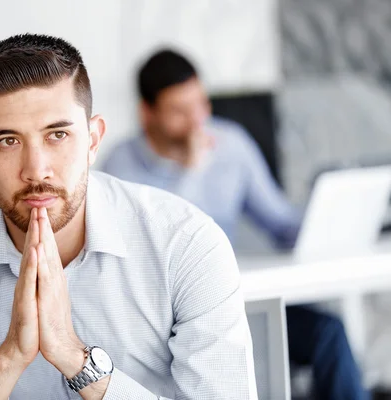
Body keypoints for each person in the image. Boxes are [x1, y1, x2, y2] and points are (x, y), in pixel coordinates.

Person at [0, 34, 258, 399]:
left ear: (92, 140)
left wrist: (76, 358)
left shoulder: (186, 243)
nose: (36, 170)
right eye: (8, 141)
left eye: (57, 135)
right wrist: (8, 359)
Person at [102, 49, 368, 400]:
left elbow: (280, 222)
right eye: (179, 112)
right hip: (166, 322)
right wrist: (191, 173)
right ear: (147, 113)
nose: (197, 121)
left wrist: (334, 210)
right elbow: (155, 247)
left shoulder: (232, 145)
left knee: (328, 334)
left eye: (200, 104)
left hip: (240, 301)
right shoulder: (119, 169)